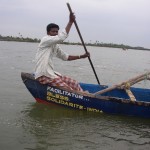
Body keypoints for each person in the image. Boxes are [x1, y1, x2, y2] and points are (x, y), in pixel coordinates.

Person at [34, 12, 90, 92]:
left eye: (57, 32)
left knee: (74, 83)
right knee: (68, 90)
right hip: (43, 75)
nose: (55, 33)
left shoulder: (55, 46)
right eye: (53, 32)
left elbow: (66, 57)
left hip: (51, 74)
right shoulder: (45, 40)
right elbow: (61, 37)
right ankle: (81, 96)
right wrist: (70, 22)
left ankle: (84, 96)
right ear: (48, 33)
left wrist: (81, 56)